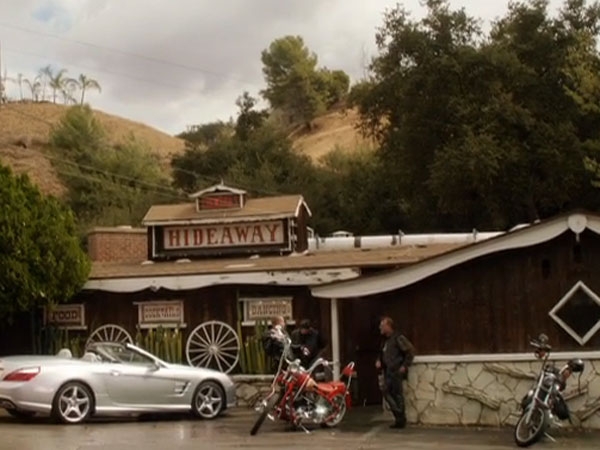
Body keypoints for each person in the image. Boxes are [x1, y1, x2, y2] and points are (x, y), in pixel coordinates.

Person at [375, 316, 415, 429]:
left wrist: (404, 366)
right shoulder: (384, 341)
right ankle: (398, 415)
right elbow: (381, 353)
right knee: (386, 392)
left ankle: (400, 419)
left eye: (382, 326)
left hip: (396, 370)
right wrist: (379, 360)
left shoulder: (398, 338)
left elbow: (410, 352)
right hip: (388, 370)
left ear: (388, 326)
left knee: (397, 395)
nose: (380, 328)